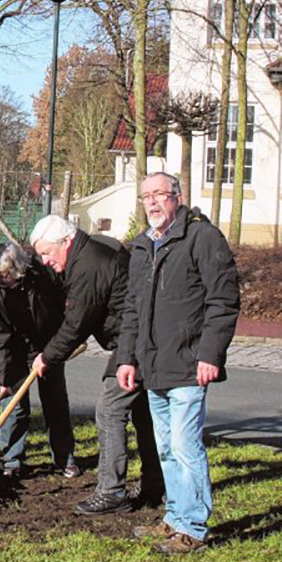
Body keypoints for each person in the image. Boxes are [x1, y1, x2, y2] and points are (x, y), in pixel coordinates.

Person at [117, 172, 239, 555]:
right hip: (154, 367)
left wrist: (210, 354)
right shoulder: (142, 247)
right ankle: (175, 517)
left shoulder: (202, 238)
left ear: (178, 197)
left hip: (188, 363)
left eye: (159, 195)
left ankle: (193, 528)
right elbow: (132, 309)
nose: (152, 203)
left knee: (186, 448)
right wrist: (126, 358)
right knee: (167, 447)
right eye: (145, 197)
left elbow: (223, 300)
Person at [30, 215, 164, 514]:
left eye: (47, 253)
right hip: (138, 338)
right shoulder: (88, 253)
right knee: (143, 413)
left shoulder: (89, 264)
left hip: (137, 342)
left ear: (66, 242)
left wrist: (48, 356)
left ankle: (111, 491)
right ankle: (156, 483)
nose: (45, 261)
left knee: (110, 409)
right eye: (40, 255)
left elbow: (77, 321)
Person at [0, 242, 78, 478]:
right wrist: (4, 376)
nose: (0, 280)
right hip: (14, 352)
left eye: (4, 276)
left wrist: (57, 346)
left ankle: (64, 458)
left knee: (55, 402)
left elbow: (64, 296)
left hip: (49, 344)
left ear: (18, 268)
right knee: (14, 407)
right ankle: (12, 461)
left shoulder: (41, 272)